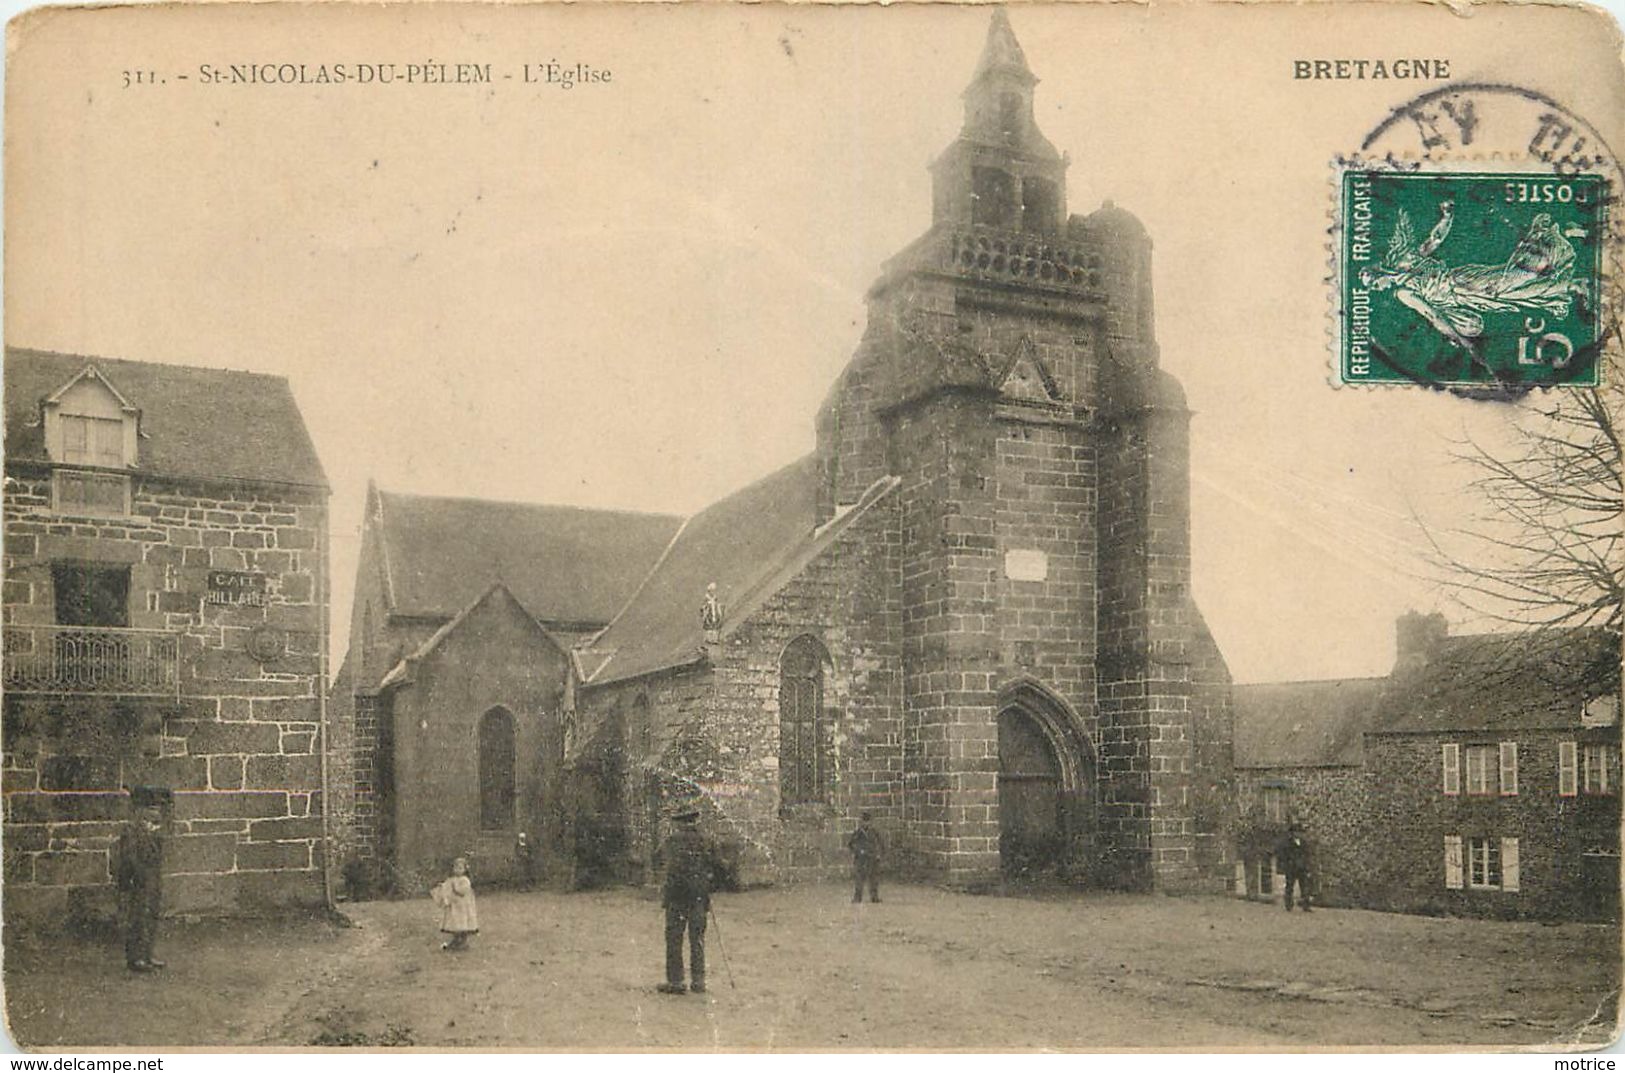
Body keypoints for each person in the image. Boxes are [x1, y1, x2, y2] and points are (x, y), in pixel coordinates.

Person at [657, 805, 720, 995]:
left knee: (674, 938)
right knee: (697, 939)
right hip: (699, 896)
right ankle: (698, 982)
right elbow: (719, 866)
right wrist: (708, 884)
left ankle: (676, 982)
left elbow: (659, 859)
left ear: (679, 822)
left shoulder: (671, 841)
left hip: (677, 896)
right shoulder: (707, 840)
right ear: (695, 820)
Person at [115, 786, 170, 973]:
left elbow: (155, 859)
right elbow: (129, 859)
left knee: (150, 917)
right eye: (150, 820)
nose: (154, 825)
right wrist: (136, 879)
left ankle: (146, 955)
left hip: (151, 882)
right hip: (138, 883)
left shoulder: (153, 836)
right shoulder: (131, 832)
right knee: (137, 918)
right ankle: (136, 958)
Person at [432, 856, 480, 950]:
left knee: (462, 923)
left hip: (463, 907)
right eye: (455, 868)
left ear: (465, 869)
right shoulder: (452, 879)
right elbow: (446, 888)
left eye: (460, 868)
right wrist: (443, 887)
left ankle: (463, 942)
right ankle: (455, 940)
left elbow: (462, 891)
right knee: (454, 922)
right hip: (454, 906)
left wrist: (455, 888)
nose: (457, 870)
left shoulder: (465, 880)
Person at [1276, 820, 1313, 912]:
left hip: (1302, 868)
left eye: (1300, 832)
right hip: (1291, 868)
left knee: (1304, 887)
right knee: (1289, 886)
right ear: (1292, 833)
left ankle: (1306, 905)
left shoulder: (1304, 843)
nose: (1298, 834)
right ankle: (1289, 904)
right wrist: (1287, 864)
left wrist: (1307, 865)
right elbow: (1283, 855)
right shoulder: (1287, 843)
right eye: (1296, 832)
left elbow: (1307, 854)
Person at [848, 810, 882, 903]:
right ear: (861, 822)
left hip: (872, 858)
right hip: (861, 859)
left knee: (873, 878)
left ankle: (874, 897)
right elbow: (851, 844)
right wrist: (858, 851)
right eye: (864, 821)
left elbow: (879, 843)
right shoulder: (858, 833)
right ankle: (857, 897)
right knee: (859, 878)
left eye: (868, 821)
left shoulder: (874, 832)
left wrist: (878, 854)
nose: (866, 823)